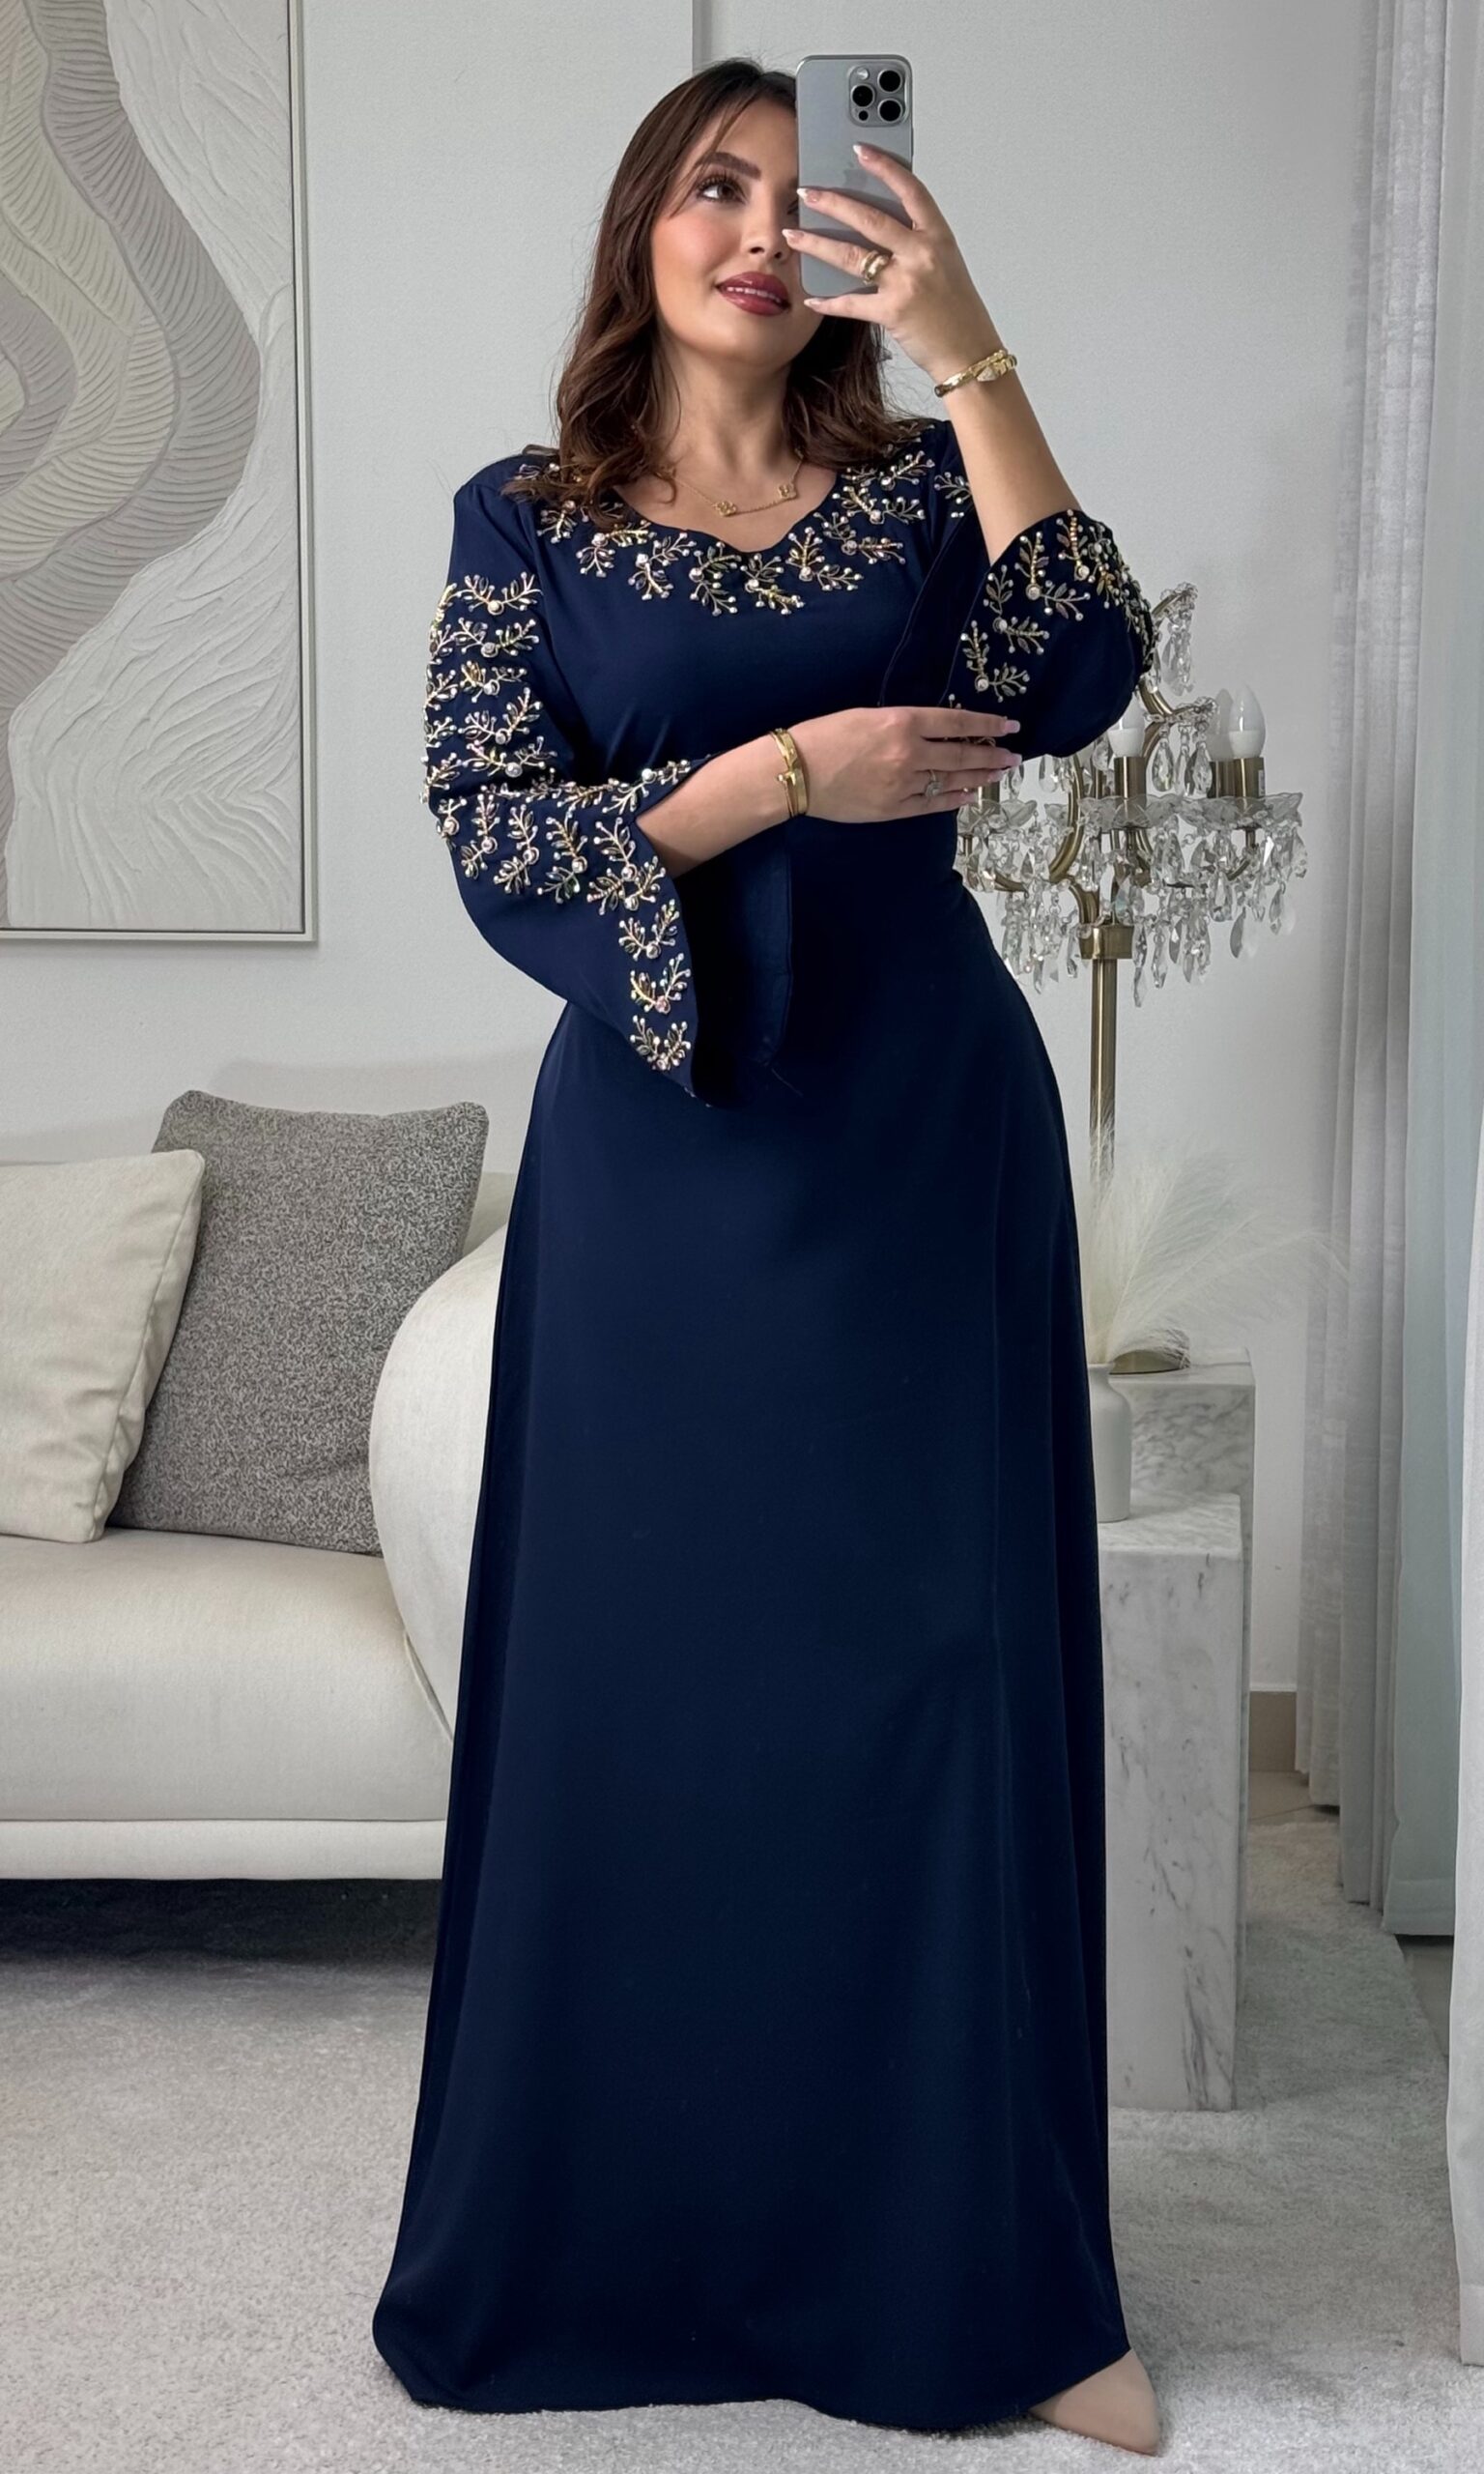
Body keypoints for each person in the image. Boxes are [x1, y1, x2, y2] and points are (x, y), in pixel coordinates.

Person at [372, 54, 1161, 2458]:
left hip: (922, 1150)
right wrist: (788, 774)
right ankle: (626, 2242)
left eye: (796, 195)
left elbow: (1085, 667)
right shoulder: (523, 522)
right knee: (650, 1696)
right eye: (709, 188)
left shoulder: (920, 489)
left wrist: (968, 335)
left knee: (941, 1678)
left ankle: (1008, 2289)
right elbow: (495, 831)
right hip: (668, 1167)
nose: (750, 229)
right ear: (641, 228)